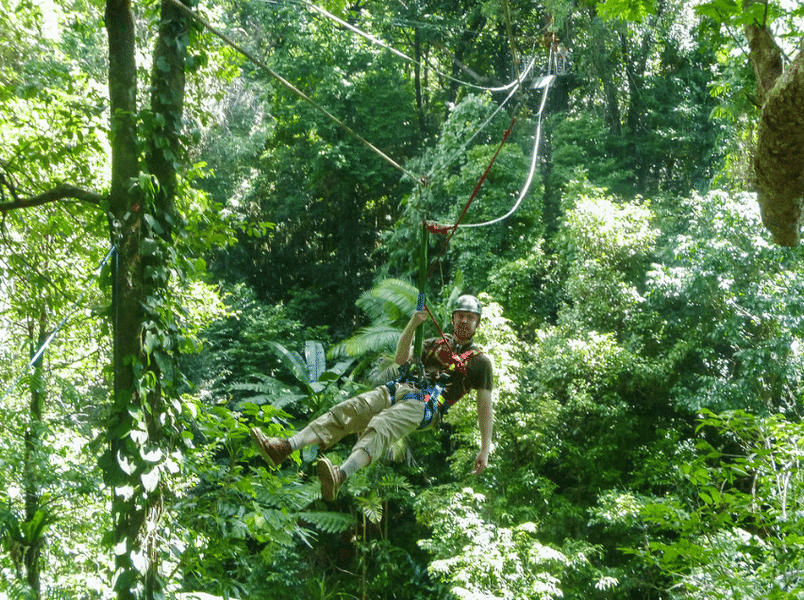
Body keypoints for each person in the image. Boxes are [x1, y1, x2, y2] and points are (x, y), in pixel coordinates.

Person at [250, 294, 494, 501]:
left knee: (382, 424)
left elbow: (485, 407)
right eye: (460, 315)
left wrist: (484, 448)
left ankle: (342, 474)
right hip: (401, 387)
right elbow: (400, 359)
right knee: (349, 409)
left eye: (470, 317)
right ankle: (284, 447)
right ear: (452, 318)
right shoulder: (433, 343)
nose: (464, 320)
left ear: (477, 324)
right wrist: (412, 324)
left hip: (427, 405)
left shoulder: (480, 362)